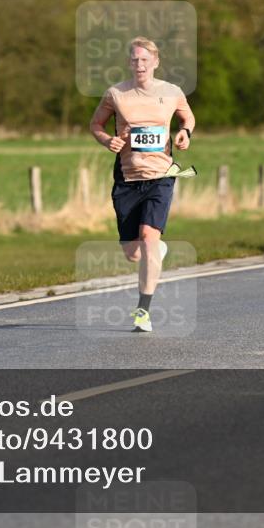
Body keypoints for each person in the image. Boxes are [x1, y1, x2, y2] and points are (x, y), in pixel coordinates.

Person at [89, 37, 195, 332]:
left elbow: (187, 116)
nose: (140, 65)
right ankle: (155, 251)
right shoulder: (116, 94)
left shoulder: (171, 92)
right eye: (135, 60)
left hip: (161, 176)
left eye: (145, 60)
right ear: (129, 62)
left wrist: (185, 132)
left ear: (155, 62)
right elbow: (95, 124)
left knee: (149, 237)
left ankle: (143, 311)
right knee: (133, 252)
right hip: (127, 179)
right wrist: (107, 140)